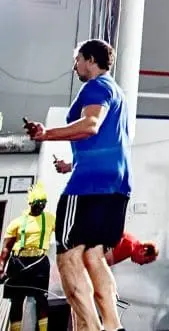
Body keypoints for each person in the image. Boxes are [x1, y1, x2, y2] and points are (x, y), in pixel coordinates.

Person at [23, 39, 130, 331]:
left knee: (68, 256)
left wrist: (46, 134)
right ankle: (112, 325)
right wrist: (71, 164)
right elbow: (107, 140)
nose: (75, 67)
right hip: (115, 185)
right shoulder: (117, 92)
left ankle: (90, 328)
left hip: (89, 186)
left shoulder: (95, 87)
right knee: (94, 255)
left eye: (77, 60)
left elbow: (90, 125)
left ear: (91, 60)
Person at [0, 184, 56, 331]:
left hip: (39, 262)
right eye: (37, 204)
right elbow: (6, 247)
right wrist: (1, 267)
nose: (40, 207)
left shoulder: (50, 219)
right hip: (18, 262)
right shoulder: (17, 222)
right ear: (30, 203)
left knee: (42, 300)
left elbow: (65, 234)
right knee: (16, 301)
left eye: (43, 204)